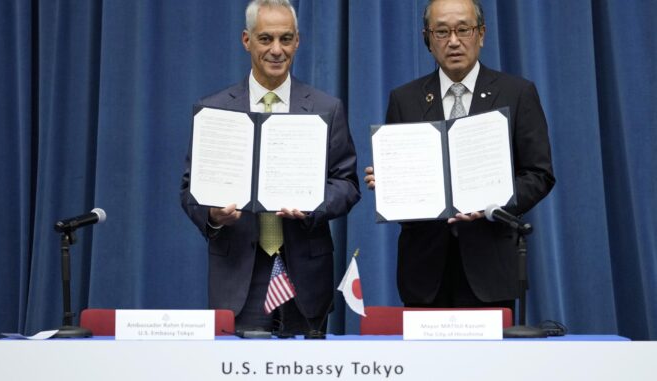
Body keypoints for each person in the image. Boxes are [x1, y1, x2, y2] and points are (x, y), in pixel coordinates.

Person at [181, 0, 360, 335]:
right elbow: (191, 189)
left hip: (306, 275)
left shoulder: (326, 108)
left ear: (298, 41)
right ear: (246, 40)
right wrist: (213, 216)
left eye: (285, 38)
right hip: (240, 277)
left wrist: (314, 205)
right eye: (266, 39)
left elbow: (347, 183)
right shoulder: (214, 110)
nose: (277, 50)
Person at [364, 0, 555, 310]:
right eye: (441, 32)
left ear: (480, 34)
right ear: (427, 39)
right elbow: (403, 180)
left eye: (463, 29)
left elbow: (538, 174)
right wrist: (389, 182)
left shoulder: (517, 93)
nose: (453, 41)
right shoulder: (404, 99)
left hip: (490, 266)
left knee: (490, 361)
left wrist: (493, 201)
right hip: (424, 272)